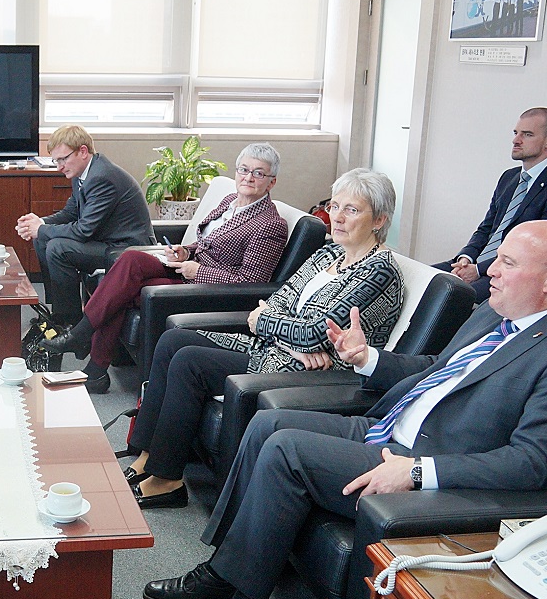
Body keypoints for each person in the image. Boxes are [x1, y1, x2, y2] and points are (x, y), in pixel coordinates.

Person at [146, 220, 547, 599]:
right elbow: (435, 367)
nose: (490, 270)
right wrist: (367, 358)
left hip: (425, 462)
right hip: (386, 427)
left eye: (507, 262)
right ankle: (225, 569)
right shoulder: (495, 311)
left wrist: (417, 471)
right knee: (267, 422)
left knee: (288, 449)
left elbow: (534, 465)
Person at [124, 168, 405, 508]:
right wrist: (286, 334)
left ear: (379, 220)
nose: (338, 218)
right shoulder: (326, 255)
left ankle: (167, 479)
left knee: (189, 360)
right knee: (173, 341)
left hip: (307, 373)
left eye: (352, 209)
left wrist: (277, 328)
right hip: (274, 351)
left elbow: (315, 332)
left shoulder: (378, 270)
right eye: (334, 206)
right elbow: (275, 304)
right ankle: (147, 453)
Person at [43, 143, 289, 394]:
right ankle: (86, 345)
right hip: (187, 267)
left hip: (208, 287)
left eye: (258, 173)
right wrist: (186, 250)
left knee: (129, 290)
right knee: (130, 260)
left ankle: (91, 360)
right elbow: (207, 242)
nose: (248, 177)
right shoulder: (229, 201)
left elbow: (252, 281)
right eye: (244, 169)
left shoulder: (269, 224)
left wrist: (197, 271)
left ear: (271, 182)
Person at [15, 125, 153, 325]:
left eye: (63, 159)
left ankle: (70, 323)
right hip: (107, 241)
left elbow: (83, 230)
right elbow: (71, 212)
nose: (59, 167)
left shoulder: (102, 177)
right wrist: (40, 223)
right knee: (42, 240)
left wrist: (42, 229)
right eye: (56, 161)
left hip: (127, 249)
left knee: (57, 247)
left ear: (83, 151)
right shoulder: (82, 173)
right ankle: (58, 311)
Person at [438, 108, 547, 302]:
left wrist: (479, 270)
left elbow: (537, 250)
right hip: (477, 264)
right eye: (516, 133)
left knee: (448, 298)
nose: (516, 140)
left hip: (510, 274)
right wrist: (466, 258)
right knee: (418, 277)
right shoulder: (509, 177)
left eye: (527, 134)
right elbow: (487, 227)